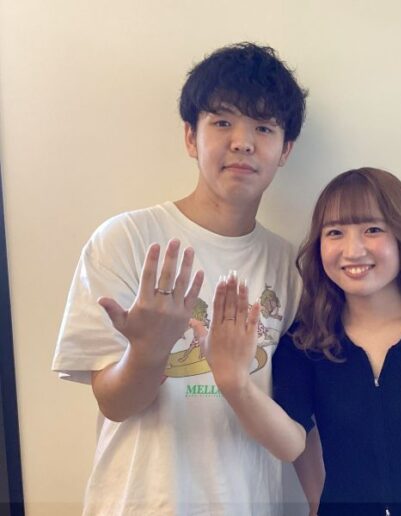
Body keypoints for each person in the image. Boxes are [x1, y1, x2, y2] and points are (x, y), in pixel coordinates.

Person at [52, 42, 308, 516]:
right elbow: (115, 404)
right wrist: (148, 350)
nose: (242, 142)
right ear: (191, 137)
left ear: (285, 149)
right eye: (223, 122)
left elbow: (299, 425)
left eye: (264, 127)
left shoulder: (290, 267)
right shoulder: (127, 240)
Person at [196, 167, 401, 516]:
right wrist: (235, 384)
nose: (353, 250)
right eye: (335, 232)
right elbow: (291, 445)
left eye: (373, 229)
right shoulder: (307, 340)